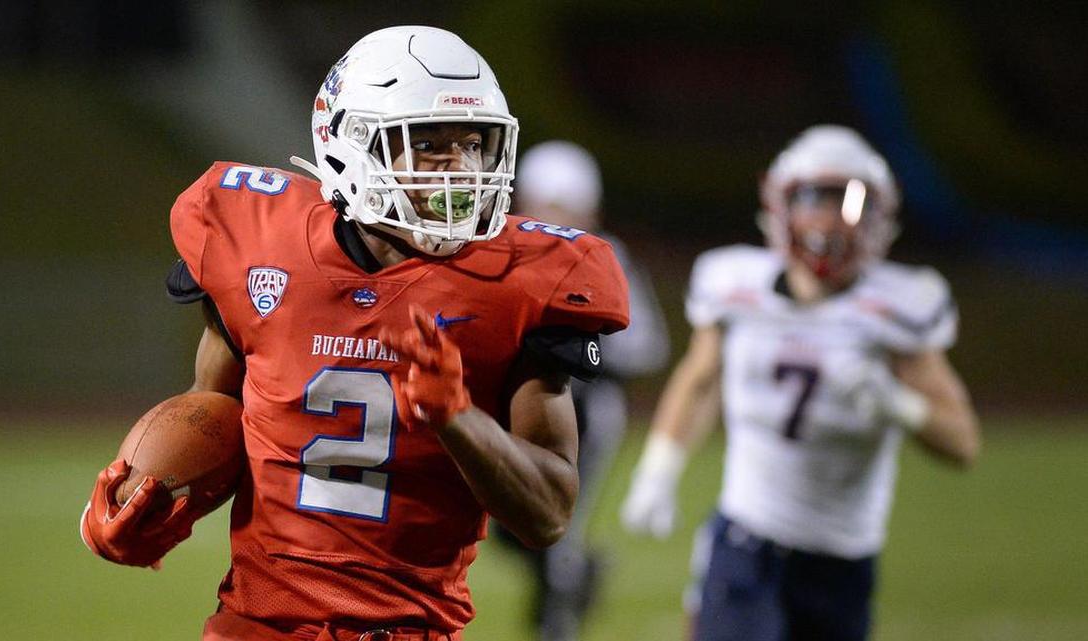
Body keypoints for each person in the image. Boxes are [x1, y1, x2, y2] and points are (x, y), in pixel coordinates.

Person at [79, 26, 630, 641]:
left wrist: (458, 418)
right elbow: (217, 414)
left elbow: (549, 515)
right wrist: (152, 499)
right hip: (254, 627)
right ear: (351, 146)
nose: (461, 169)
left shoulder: (520, 280)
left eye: (474, 144)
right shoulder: (262, 246)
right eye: (429, 144)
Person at [619, 125, 981, 641]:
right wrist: (658, 470)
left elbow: (962, 443)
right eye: (815, 198)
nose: (831, 219)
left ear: (881, 213)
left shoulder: (899, 310)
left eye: (851, 202)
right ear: (780, 204)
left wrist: (897, 404)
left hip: (843, 557)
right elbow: (700, 380)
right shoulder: (735, 285)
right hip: (747, 540)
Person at [493, 141, 670, 641]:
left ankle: (558, 619)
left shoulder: (603, 256)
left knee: (555, 521)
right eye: (546, 203)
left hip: (589, 412)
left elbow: (646, 346)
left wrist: (580, 358)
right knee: (507, 526)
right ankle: (574, 576)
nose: (556, 217)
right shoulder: (504, 249)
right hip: (513, 405)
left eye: (565, 205)